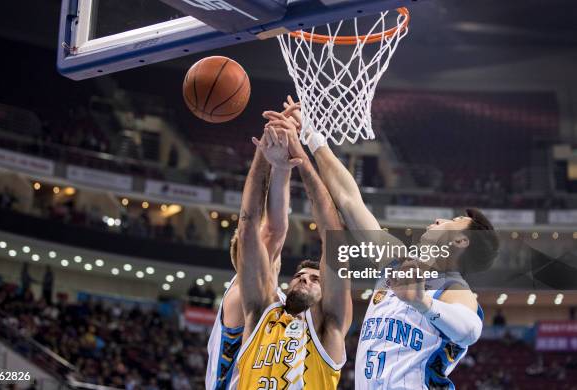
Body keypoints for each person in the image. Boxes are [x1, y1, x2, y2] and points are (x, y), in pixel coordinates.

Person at [282, 96, 498, 389]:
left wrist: (422, 303)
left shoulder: (455, 290)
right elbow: (348, 198)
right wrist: (310, 135)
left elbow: (470, 331)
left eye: (452, 220)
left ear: (461, 240)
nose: (438, 220)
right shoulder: (395, 260)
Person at [229, 114, 351, 389]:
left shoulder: (329, 327)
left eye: (316, 278)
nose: (305, 279)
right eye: (299, 276)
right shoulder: (261, 314)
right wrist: (265, 156)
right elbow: (248, 227)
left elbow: (334, 238)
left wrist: (301, 159)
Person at [206, 108, 297, 390]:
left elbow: (276, 229)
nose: (272, 246)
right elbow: (260, 226)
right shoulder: (242, 292)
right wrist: (266, 156)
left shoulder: (271, 291)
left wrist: (282, 167)